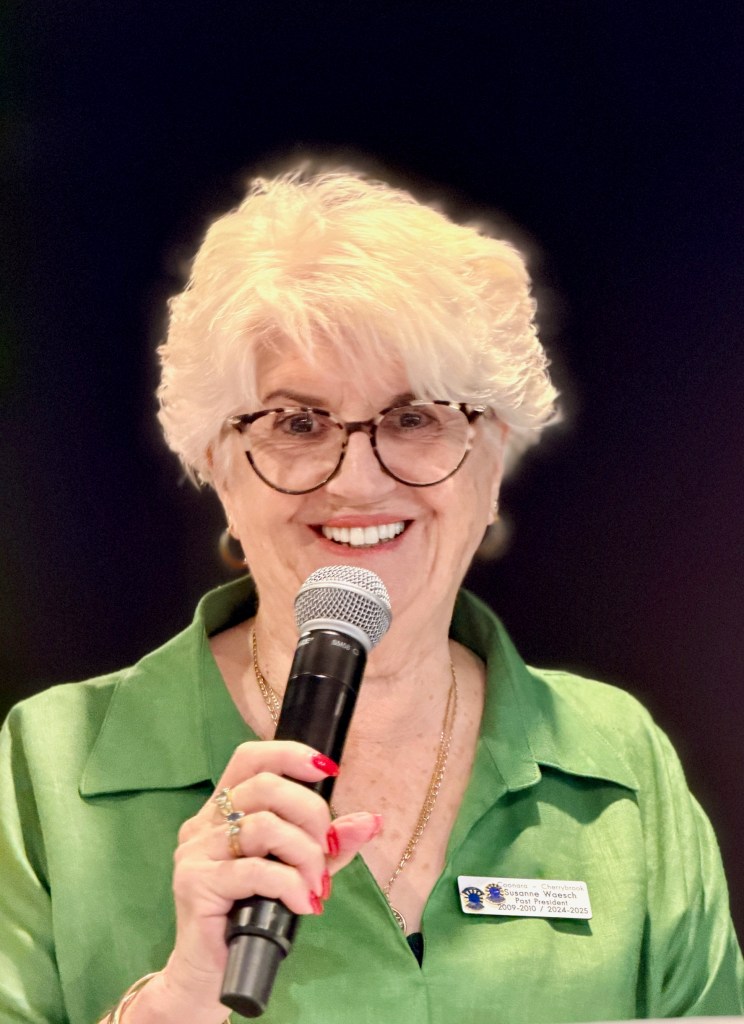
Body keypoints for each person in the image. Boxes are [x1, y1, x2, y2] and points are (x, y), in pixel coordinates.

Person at [1, 164, 742, 1024]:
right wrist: (176, 1002)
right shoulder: (49, 768)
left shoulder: (617, 762)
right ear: (217, 465)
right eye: (297, 422)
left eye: (415, 417)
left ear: (494, 460)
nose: (356, 480)